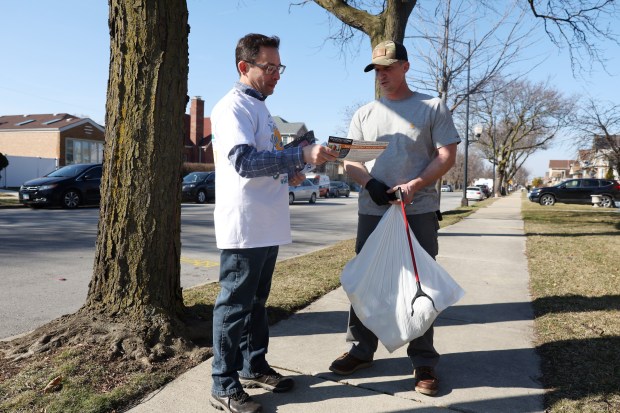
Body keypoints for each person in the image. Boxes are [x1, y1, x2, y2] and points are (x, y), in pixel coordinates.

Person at [210, 33, 337, 413]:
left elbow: (270, 160)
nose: (277, 74)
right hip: (244, 223)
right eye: (269, 67)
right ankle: (223, 383)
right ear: (244, 67)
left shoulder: (261, 109)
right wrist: (299, 153)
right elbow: (244, 163)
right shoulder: (232, 108)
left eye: (279, 67)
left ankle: (253, 365)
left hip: (267, 221)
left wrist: (294, 168)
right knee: (234, 305)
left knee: (257, 302)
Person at [328, 40, 460, 397]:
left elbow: (447, 155)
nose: (382, 75)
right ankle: (360, 349)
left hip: (416, 211)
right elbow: (349, 160)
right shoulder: (364, 114)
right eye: (377, 70)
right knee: (366, 281)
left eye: (388, 67)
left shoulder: (432, 107)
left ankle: (423, 360)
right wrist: (369, 183)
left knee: (420, 285)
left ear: (406, 66)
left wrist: (416, 184)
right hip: (373, 212)